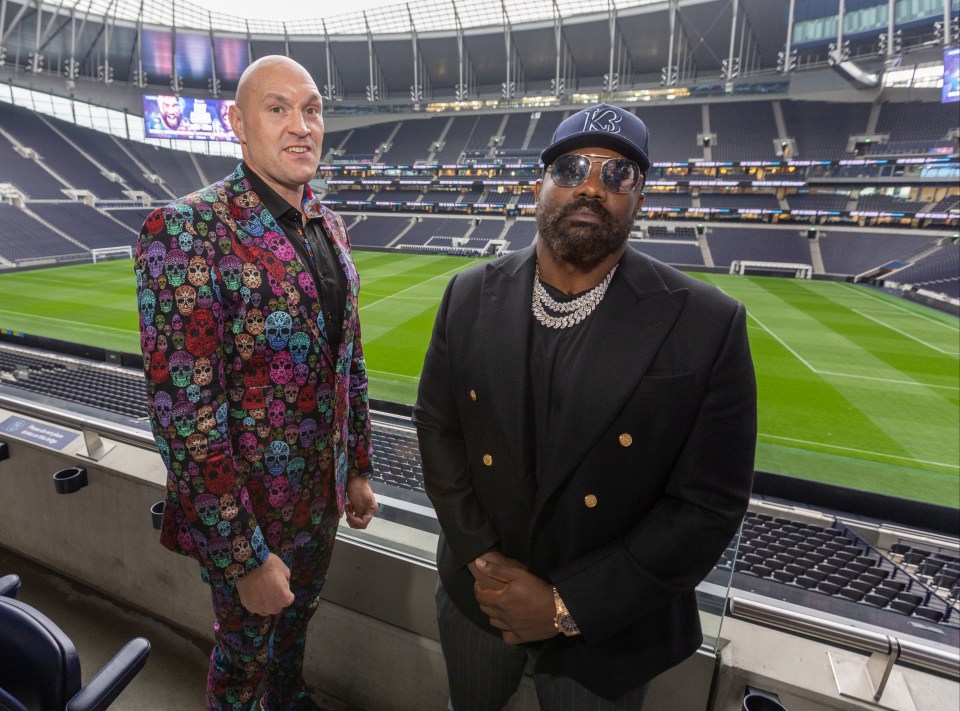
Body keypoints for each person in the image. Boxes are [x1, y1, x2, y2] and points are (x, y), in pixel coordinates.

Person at [414, 103, 756, 710]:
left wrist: (564, 606)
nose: (593, 186)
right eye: (572, 168)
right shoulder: (467, 293)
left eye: (618, 174)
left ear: (640, 198)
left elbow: (708, 505)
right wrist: (480, 558)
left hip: (608, 628)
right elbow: (439, 429)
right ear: (539, 185)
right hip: (477, 596)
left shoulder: (707, 323)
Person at [135, 55, 378, 711]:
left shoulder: (329, 225)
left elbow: (347, 359)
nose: (302, 126)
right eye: (278, 109)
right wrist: (243, 558)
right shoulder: (188, 227)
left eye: (312, 109)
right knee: (242, 660)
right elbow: (184, 418)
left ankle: (291, 697)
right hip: (250, 519)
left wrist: (357, 465)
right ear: (238, 122)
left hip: (320, 502)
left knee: (295, 632)